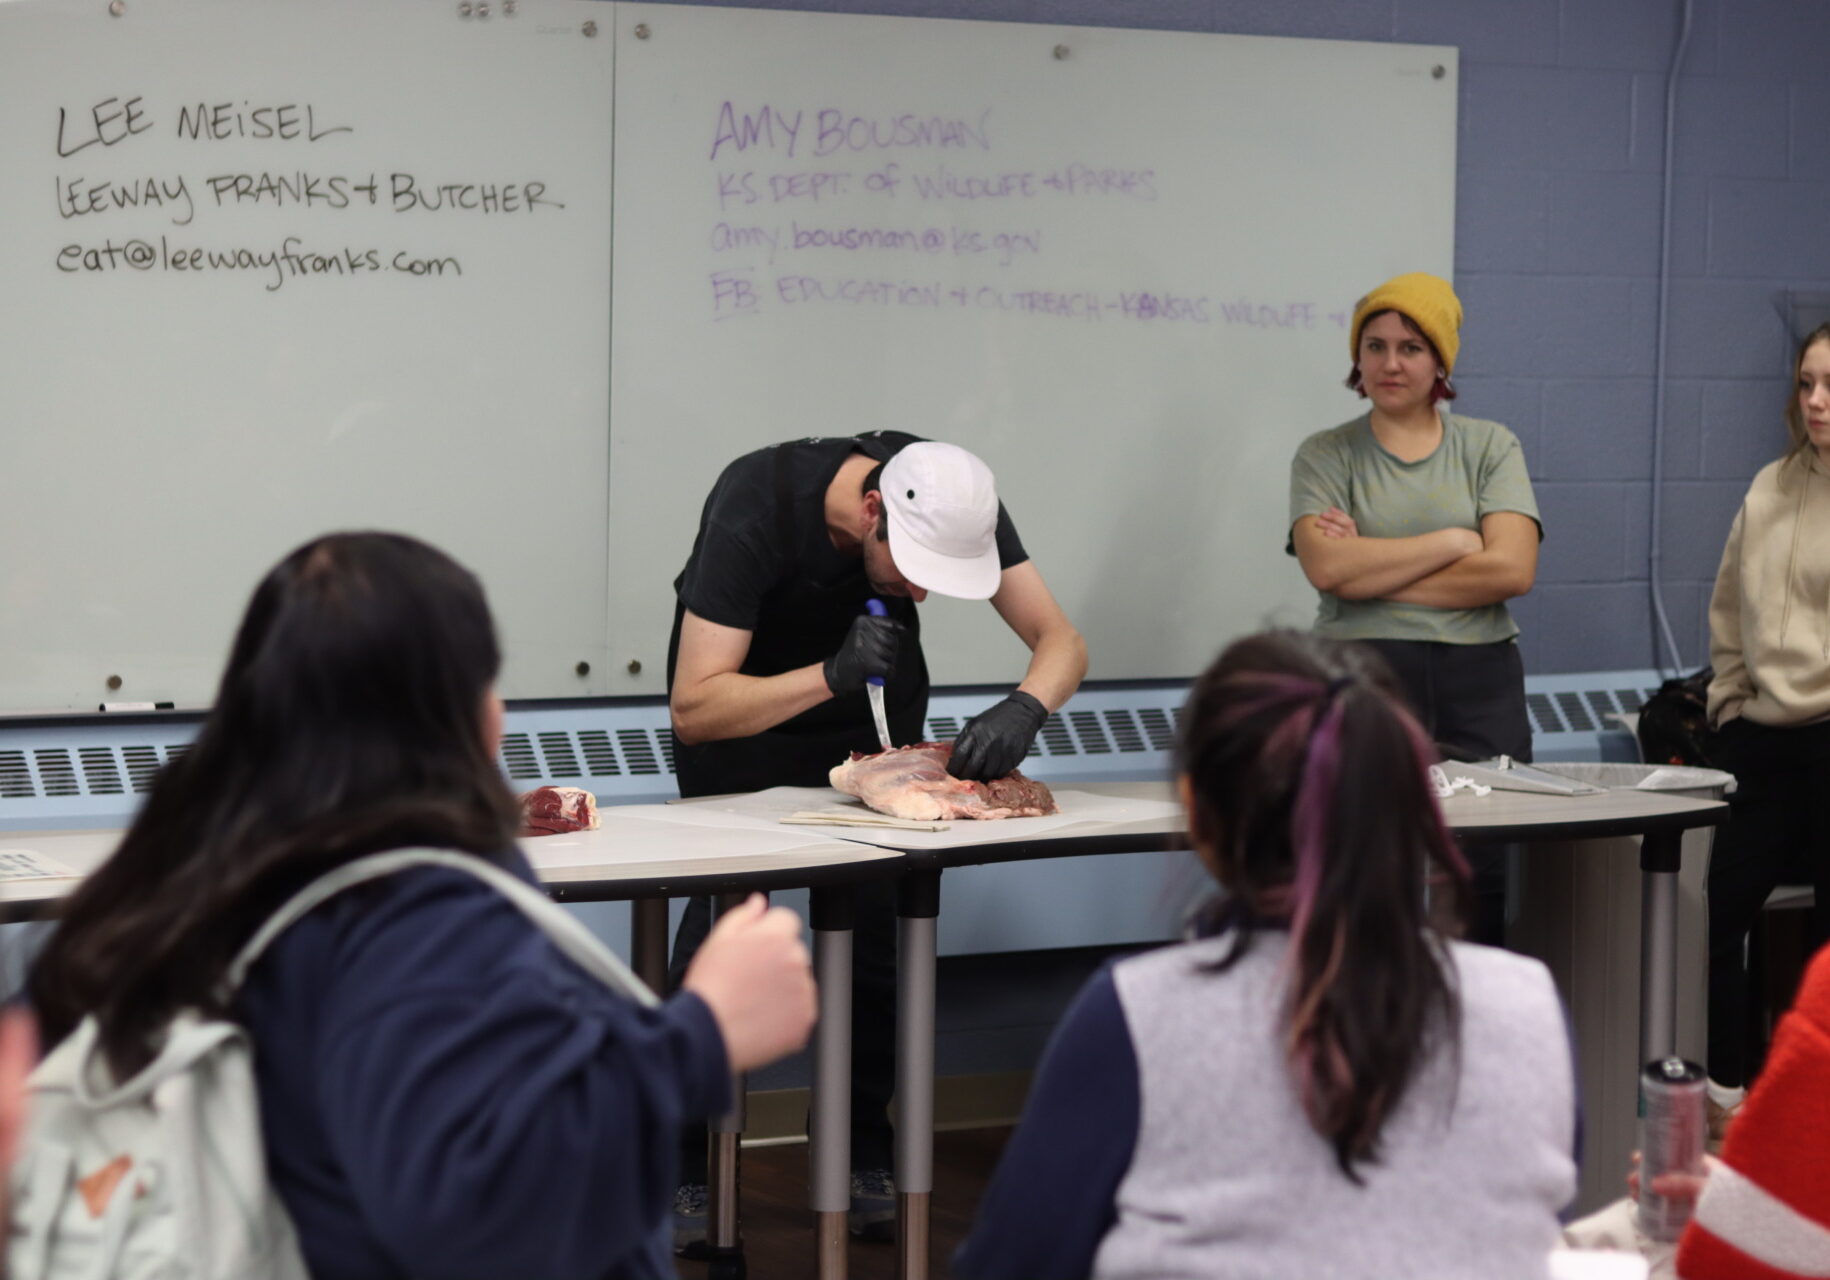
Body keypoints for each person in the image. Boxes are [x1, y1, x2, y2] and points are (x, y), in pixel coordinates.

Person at [25, 531, 818, 1280]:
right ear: (457, 708)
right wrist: (703, 1033)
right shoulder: (417, 915)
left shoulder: (201, 869)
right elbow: (481, 1207)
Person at [954, 631, 1577, 1280]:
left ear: (1196, 812)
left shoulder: (1138, 1015)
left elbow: (1012, 1262)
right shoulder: (1528, 1004)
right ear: (1406, 803)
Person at [666, 432, 1086, 1244]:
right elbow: (696, 706)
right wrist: (828, 674)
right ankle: (682, 1162)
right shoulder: (755, 506)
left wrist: (1028, 705)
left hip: (874, 712)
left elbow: (1062, 640)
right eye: (913, 575)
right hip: (744, 716)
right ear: (872, 514)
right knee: (721, 938)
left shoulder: (955, 493)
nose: (922, 598)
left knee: (875, 946)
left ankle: (861, 1144)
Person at [1287, 271, 1542, 944]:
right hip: (1363, 677)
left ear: (1440, 363)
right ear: (1357, 360)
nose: (1391, 363)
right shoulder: (1325, 454)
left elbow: (1513, 568)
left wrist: (1370, 568)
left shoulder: (1490, 447)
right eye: (1374, 346)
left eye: (1410, 347)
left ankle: (1470, 1028)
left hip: (1478, 681)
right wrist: (1456, 543)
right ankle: (1366, 1036)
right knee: (1362, 864)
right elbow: (1325, 565)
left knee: (1476, 871)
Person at [1700, 320, 1830, 1140]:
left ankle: (1808, 1113)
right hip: (1759, 737)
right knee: (1724, 916)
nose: (1816, 403)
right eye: (1808, 384)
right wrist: (1727, 698)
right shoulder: (1770, 486)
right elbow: (1725, 608)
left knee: (1824, 947)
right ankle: (1724, 1095)